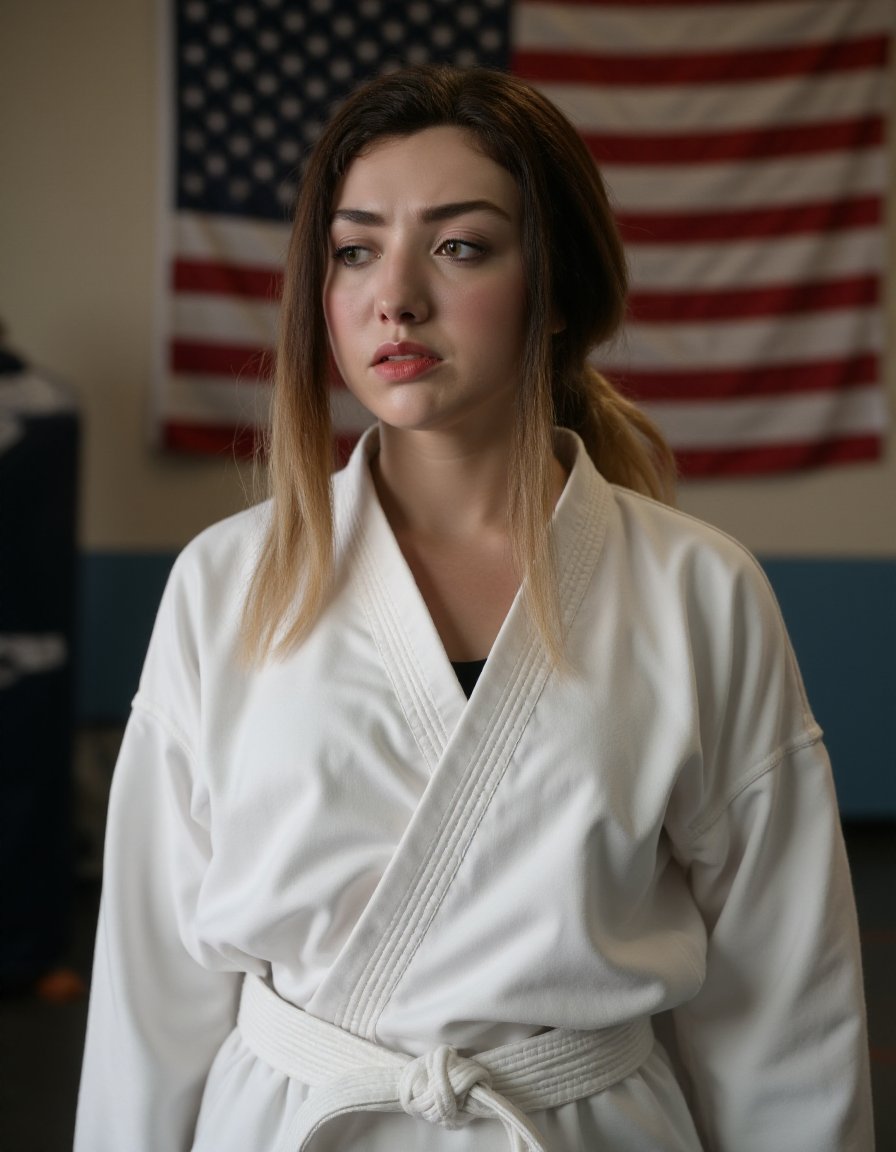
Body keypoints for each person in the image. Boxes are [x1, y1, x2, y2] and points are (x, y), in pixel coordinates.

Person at [75, 65, 873, 1151]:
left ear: (555, 291)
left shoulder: (697, 591)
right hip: (293, 1117)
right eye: (353, 249)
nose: (392, 295)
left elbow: (785, 1004)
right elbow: (148, 993)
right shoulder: (226, 585)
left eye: (458, 246)